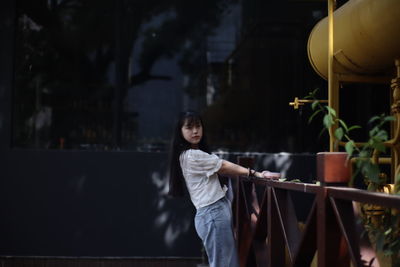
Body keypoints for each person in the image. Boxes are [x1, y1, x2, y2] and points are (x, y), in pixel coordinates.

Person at [168, 111, 280, 267]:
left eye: (198, 126)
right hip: (212, 214)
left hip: (212, 214)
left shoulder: (190, 154)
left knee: (225, 263)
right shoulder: (191, 155)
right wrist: (255, 173)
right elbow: (224, 166)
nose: (195, 131)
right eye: (189, 127)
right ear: (180, 132)